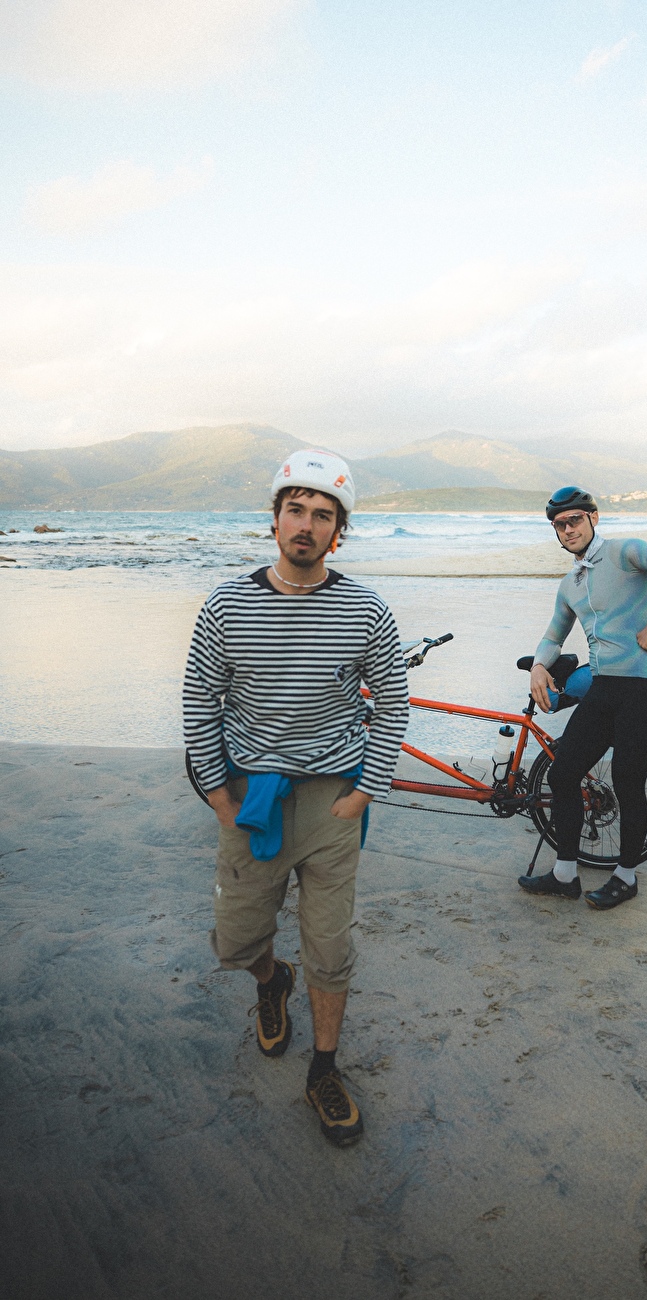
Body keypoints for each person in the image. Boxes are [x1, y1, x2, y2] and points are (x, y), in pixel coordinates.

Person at [183, 449, 409, 1146]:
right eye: (296, 510)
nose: (306, 525)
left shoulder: (365, 608)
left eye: (322, 515)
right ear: (274, 520)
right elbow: (198, 700)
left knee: (330, 946)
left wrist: (363, 793)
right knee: (236, 940)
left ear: (338, 532)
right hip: (250, 800)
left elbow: (393, 701)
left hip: (332, 802)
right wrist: (220, 798)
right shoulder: (226, 603)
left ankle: (323, 1068)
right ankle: (268, 978)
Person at [519, 486, 647, 908]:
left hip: (644, 689)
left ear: (593, 518)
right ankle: (564, 874)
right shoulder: (571, 582)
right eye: (559, 524)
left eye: (574, 520)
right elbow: (553, 634)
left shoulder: (623, 552)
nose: (567, 529)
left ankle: (626, 876)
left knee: (627, 781)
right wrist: (540, 665)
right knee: (562, 775)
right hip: (604, 688)